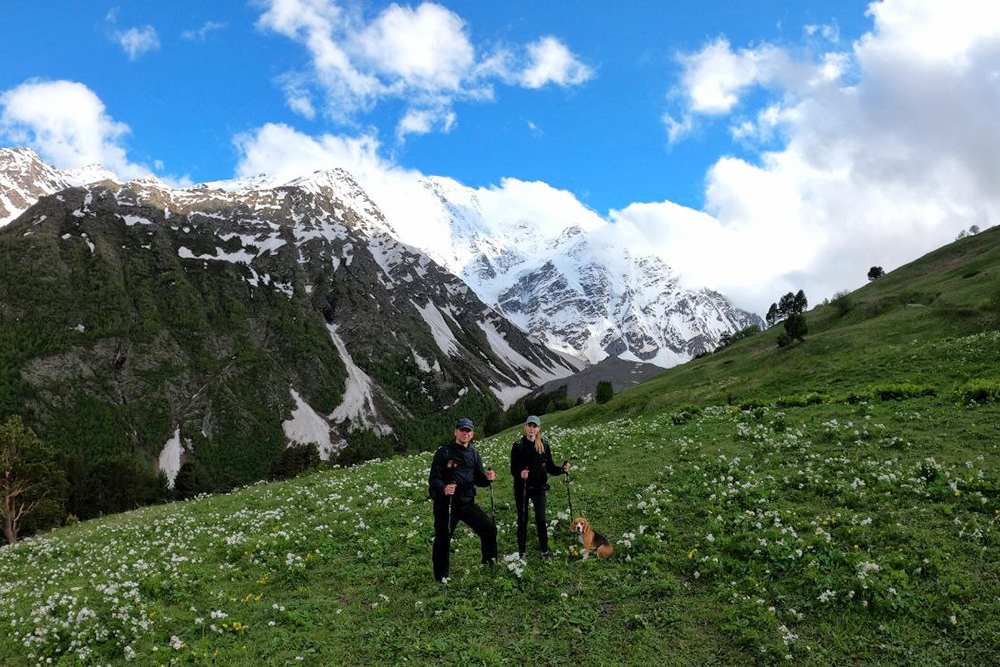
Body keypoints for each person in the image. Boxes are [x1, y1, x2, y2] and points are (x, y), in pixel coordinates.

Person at [428, 417, 497, 582]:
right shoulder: (444, 452)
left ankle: (490, 562)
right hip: (447, 504)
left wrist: (488, 479)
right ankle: (441, 577)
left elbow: (479, 478)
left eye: (468, 431)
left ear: (472, 434)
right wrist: (444, 488)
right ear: (456, 432)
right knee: (443, 538)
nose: (465, 433)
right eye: (462, 430)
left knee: (489, 528)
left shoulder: (474, 453)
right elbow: (434, 478)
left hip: (467, 503)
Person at [510, 415, 568, 558]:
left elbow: (550, 467)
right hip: (522, 488)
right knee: (523, 519)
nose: (532, 429)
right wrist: (520, 474)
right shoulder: (518, 446)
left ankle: (544, 550)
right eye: (529, 425)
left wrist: (562, 470)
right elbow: (513, 469)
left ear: (538, 428)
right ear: (525, 427)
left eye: (535, 426)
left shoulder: (544, 445)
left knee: (541, 519)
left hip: (539, 488)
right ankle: (522, 551)